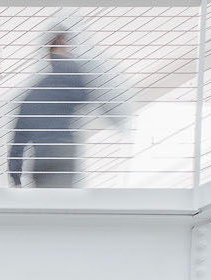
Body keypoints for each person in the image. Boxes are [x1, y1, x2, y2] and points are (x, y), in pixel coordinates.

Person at [7, 27, 127, 188]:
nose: (71, 53)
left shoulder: (31, 96)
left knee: (47, 205)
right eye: (67, 49)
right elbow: (84, 94)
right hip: (61, 153)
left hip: (41, 162)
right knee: (63, 203)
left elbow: (17, 144)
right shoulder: (67, 79)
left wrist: (16, 180)